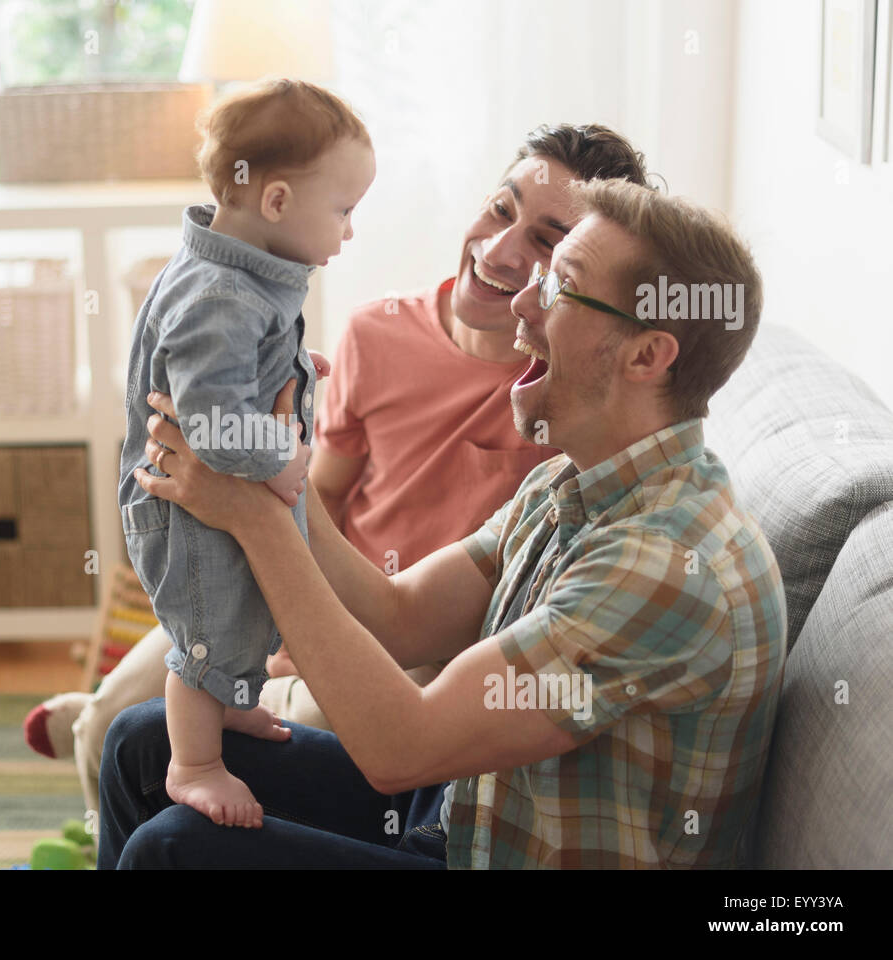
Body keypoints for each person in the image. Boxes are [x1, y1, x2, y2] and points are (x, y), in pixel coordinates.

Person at [99, 177, 786, 868]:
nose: (521, 303)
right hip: (464, 818)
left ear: (646, 355)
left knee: (175, 851)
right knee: (141, 745)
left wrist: (252, 516)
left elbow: (404, 746)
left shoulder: (663, 565)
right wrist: (272, 456)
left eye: (559, 288)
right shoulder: (573, 481)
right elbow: (401, 616)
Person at [25, 123, 653, 823]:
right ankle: (97, 789)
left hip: (414, 649)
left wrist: (298, 615)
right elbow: (320, 491)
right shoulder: (376, 331)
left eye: (546, 241)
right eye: (502, 210)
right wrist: (276, 586)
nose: (501, 250)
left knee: (258, 724)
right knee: (111, 721)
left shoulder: (561, 401)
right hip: (298, 571)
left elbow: (419, 622)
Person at [117, 78, 375, 827]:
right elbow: (209, 417)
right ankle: (192, 763)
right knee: (208, 631)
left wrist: (293, 370)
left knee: (245, 620)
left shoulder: (238, 276)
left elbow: (232, 372)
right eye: (344, 210)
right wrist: (285, 459)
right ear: (278, 203)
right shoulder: (223, 294)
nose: (350, 232)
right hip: (187, 515)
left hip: (209, 502)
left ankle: (228, 713)